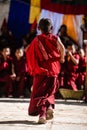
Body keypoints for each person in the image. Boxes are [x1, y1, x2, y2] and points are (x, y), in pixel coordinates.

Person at [26, 18, 65, 124]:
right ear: (51, 28)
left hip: (41, 71)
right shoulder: (55, 38)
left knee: (40, 93)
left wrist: (32, 66)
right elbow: (62, 48)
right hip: (53, 69)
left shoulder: (36, 40)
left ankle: (42, 116)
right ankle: (49, 109)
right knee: (49, 92)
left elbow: (28, 52)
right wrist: (62, 58)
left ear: (38, 28)